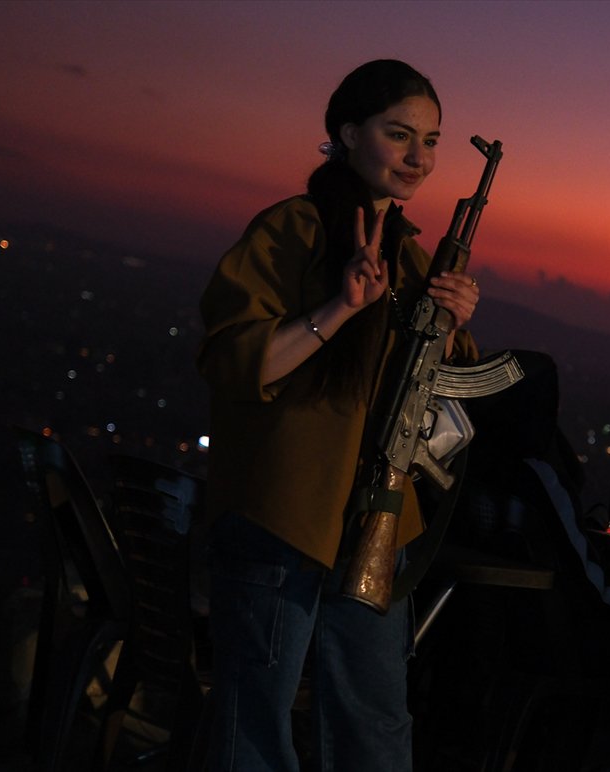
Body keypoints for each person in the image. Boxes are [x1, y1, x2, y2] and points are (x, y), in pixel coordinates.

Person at [196, 59, 481, 770]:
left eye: (432, 140)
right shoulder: (292, 231)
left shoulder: (414, 260)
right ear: (348, 133)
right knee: (256, 725)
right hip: (282, 518)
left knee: (377, 726)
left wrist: (449, 325)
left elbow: (432, 396)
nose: (420, 158)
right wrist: (338, 309)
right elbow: (237, 363)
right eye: (400, 135)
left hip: (376, 524)